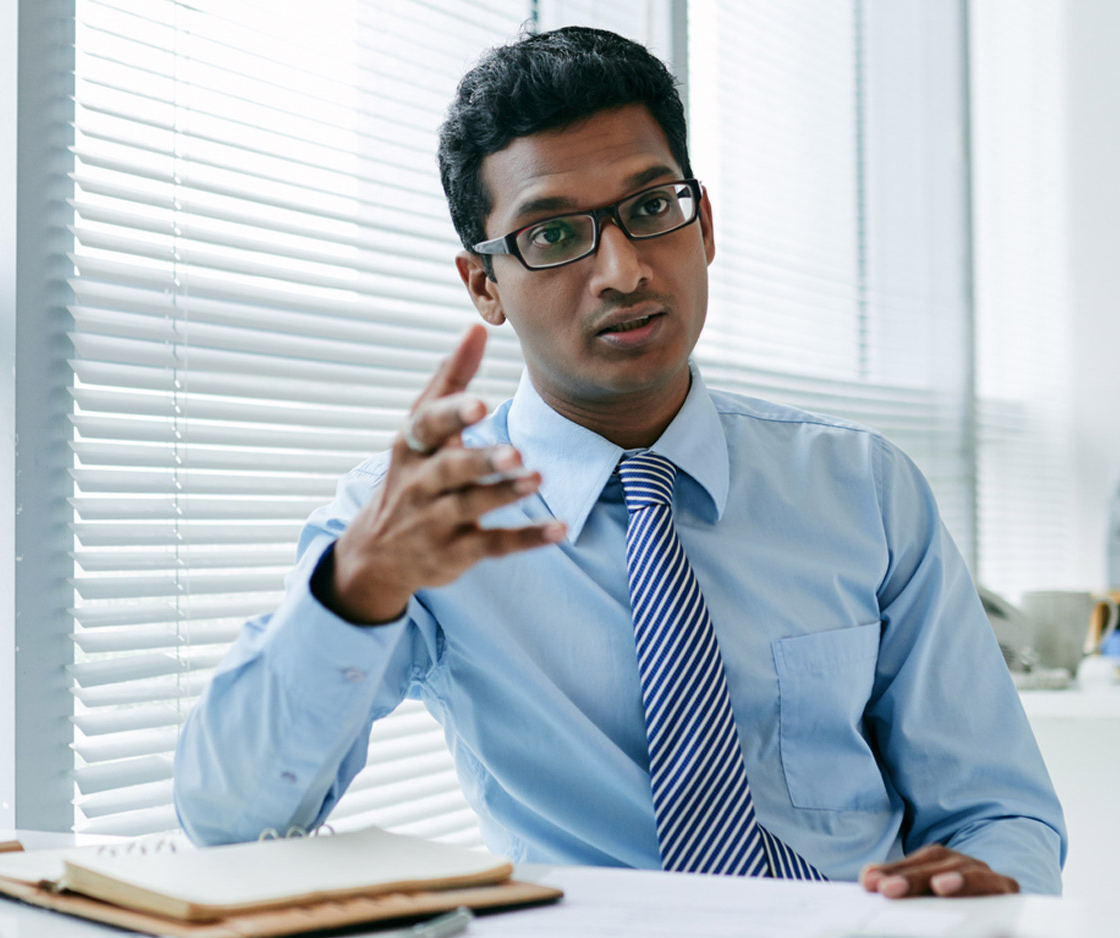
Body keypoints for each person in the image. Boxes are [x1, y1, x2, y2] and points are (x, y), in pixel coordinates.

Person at [174, 26, 1065, 899]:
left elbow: (998, 811)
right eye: (554, 235)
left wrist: (986, 880)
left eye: (650, 209)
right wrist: (360, 580)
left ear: (703, 223)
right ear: (484, 285)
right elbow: (229, 819)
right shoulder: (419, 517)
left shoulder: (862, 488)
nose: (624, 271)